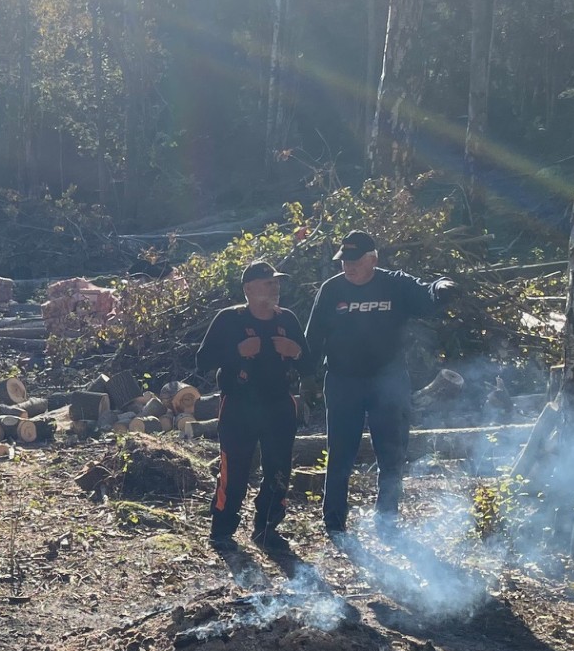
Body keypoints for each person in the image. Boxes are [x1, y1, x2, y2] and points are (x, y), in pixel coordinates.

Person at [305, 230, 456, 538]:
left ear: (373, 259)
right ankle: (334, 524)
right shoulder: (331, 291)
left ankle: (386, 521)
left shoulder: (395, 284)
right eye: (344, 260)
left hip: (388, 379)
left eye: (355, 260)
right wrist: (306, 377)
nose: (348, 266)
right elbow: (313, 336)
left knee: (391, 452)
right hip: (343, 380)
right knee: (340, 454)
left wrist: (442, 288)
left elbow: (426, 296)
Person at [194, 261, 309, 554]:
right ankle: (222, 531)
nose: (275, 288)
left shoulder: (288, 320)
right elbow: (202, 361)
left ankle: (267, 528)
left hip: (279, 405)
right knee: (234, 472)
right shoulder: (229, 319)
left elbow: (309, 365)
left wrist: (294, 351)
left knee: (279, 472)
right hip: (239, 406)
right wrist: (236, 353)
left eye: (277, 283)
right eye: (268, 283)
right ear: (248, 289)